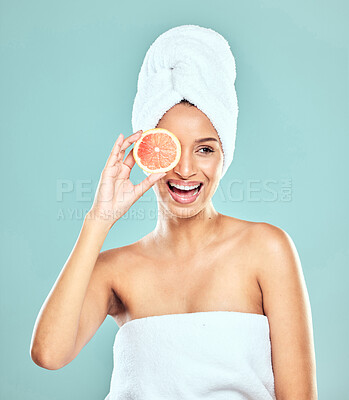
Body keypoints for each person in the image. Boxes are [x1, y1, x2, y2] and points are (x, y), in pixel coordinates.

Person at [30, 25, 318, 400]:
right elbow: (48, 354)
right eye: (170, 148)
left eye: (205, 149)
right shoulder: (114, 270)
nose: (185, 170)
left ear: (223, 156)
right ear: (145, 151)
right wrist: (98, 221)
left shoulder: (266, 249)